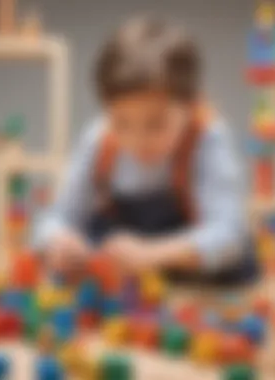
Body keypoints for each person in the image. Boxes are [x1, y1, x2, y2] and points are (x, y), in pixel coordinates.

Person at [32, 16, 258, 285]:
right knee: (77, 252)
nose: (136, 139)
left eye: (156, 123)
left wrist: (152, 255)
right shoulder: (99, 139)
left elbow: (229, 234)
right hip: (118, 261)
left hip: (178, 258)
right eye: (121, 122)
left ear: (191, 105)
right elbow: (56, 218)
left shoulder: (207, 137)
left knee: (240, 259)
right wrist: (59, 242)